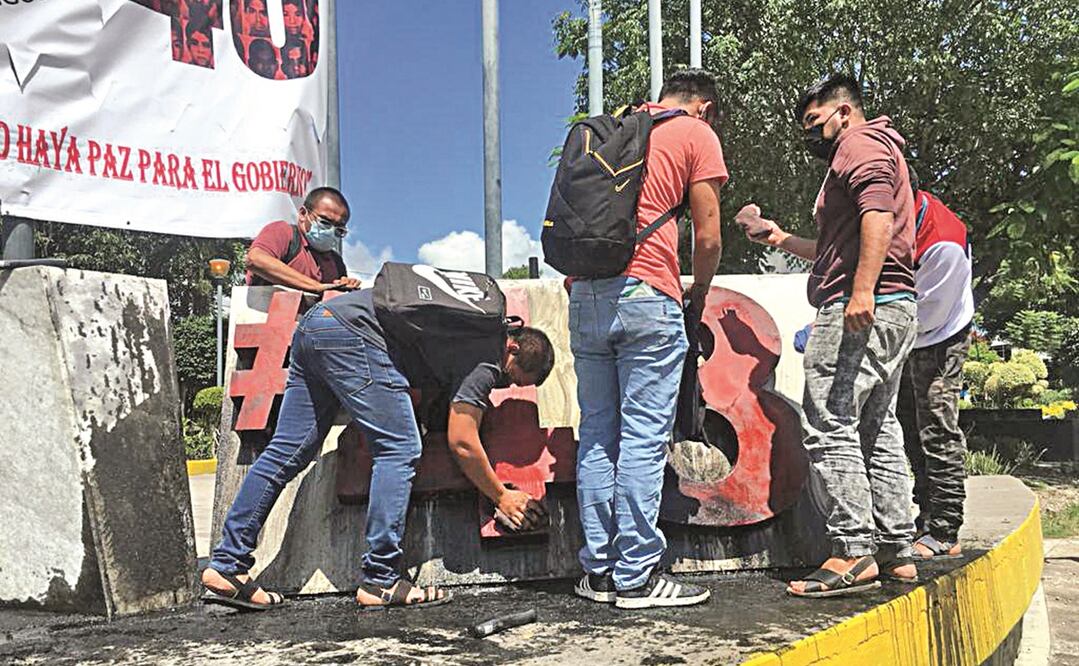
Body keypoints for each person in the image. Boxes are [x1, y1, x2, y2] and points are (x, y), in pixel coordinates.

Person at [201, 278, 556, 610]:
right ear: (512, 348)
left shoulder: (469, 322)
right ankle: (380, 579)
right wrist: (501, 496)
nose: (499, 386)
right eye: (509, 377)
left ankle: (228, 563)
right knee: (400, 449)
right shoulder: (487, 354)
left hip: (316, 325)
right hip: (355, 337)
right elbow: (462, 440)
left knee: (288, 451)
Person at [736, 74, 919, 597]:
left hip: (863, 306)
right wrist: (776, 237)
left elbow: (877, 218)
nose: (811, 135)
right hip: (894, 306)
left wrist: (861, 292)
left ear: (843, 111)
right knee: (876, 428)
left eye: (815, 122)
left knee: (828, 423)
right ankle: (894, 548)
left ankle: (852, 551)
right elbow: (837, 248)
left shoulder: (859, 145)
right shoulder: (879, 147)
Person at [570, 69, 726, 609]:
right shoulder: (693, 133)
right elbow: (708, 236)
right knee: (641, 437)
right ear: (701, 105)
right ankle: (636, 575)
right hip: (647, 293)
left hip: (586, 296)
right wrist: (698, 292)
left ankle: (598, 571)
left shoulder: (617, 127)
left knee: (597, 436)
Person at [896, 167, 974, 560]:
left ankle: (945, 529)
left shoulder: (943, 242)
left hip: (940, 334)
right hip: (906, 331)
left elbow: (928, 314)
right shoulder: (887, 217)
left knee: (936, 426)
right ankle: (924, 516)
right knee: (908, 426)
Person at [244, 187, 361, 292]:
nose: (330, 231)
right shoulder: (283, 232)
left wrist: (345, 288)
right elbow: (255, 259)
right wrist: (315, 286)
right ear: (303, 214)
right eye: (325, 222)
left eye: (339, 229)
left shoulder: (336, 262)